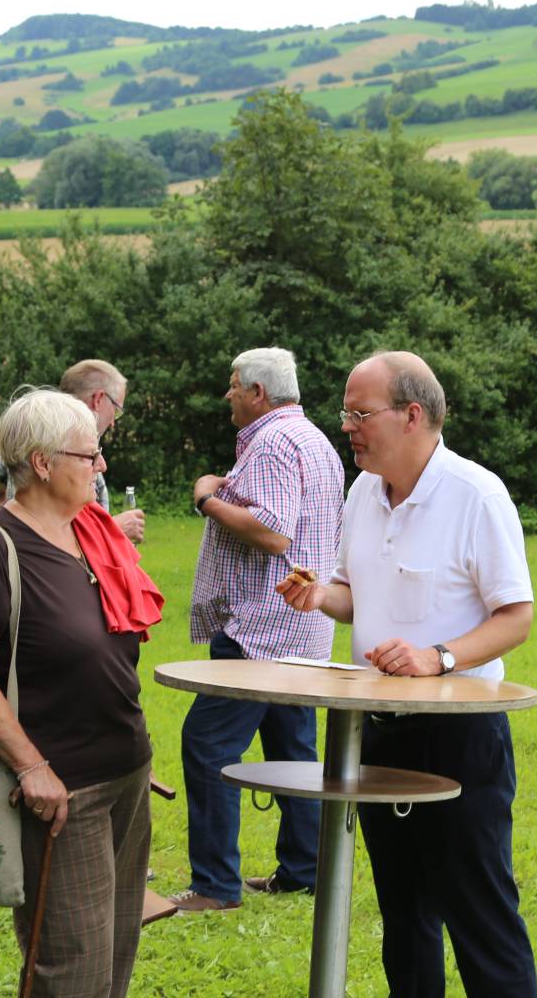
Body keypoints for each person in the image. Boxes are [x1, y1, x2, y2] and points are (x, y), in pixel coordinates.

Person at [279, 351, 537, 997]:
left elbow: (516, 617)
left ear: (413, 415)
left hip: (459, 734)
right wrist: (319, 596)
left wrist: (439, 657)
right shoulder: (364, 491)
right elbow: (353, 592)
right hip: (378, 731)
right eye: (345, 413)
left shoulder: (476, 495)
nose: (347, 426)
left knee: (478, 911)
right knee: (404, 913)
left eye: (359, 413)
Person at [0, 388, 162, 997]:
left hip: (126, 772)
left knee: (116, 955)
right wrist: (32, 767)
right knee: (71, 969)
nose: (101, 466)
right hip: (62, 791)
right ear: (43, 463)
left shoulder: (89, 533)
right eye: (89, 455)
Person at [170, 348, 344, 913]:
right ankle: (305, 872)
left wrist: (207, 499)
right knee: (295, 753)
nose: (227, 395)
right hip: (303, 627)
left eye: (233, 385)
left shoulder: (270, 442)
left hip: (260, 630)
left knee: (207, 743)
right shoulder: (314, 440)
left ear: (258, 393)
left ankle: (215, 886)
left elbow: (271, 532)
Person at [0, 360, 145, 545]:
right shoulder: (53, 451)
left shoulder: (31, 441)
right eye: (117, 410)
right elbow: (47, 535)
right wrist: (113, 529)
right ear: (99, 399)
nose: (101, 465)